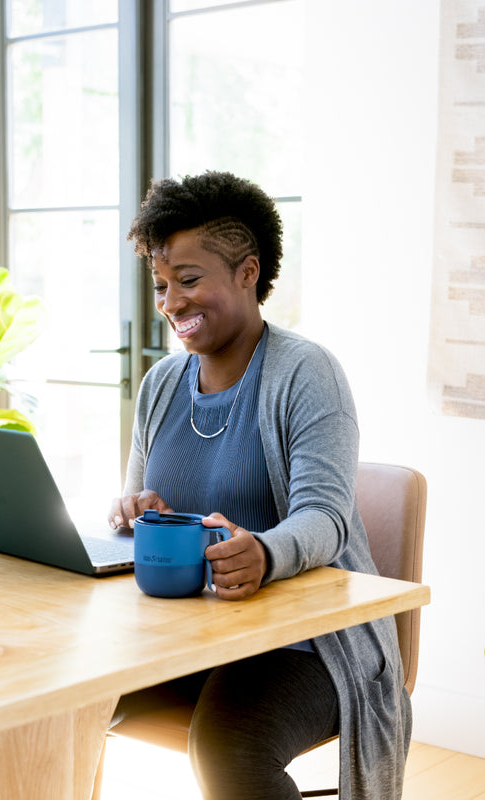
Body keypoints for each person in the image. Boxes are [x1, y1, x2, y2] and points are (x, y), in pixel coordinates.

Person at [108, 171, 411, 800]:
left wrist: (267, 552)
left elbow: (325, 518)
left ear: (248, 273)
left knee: (228, 750)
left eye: (189, 281)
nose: (170, 303)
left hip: (308, 644)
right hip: (190, 630)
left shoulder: (308, 373)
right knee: (53, 697)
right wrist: (135, 511)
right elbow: (136, 503)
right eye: (162, 285)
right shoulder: (162, 384)